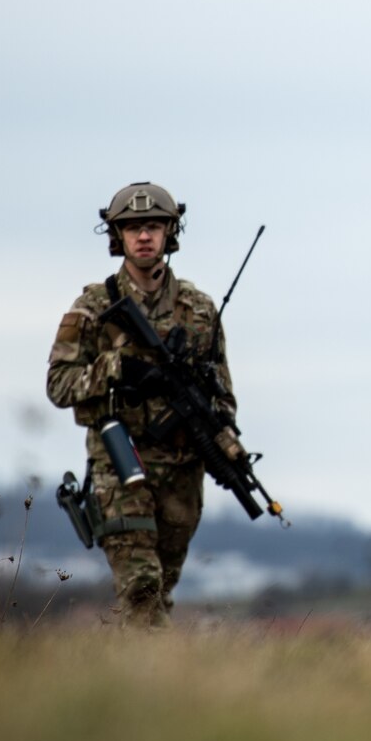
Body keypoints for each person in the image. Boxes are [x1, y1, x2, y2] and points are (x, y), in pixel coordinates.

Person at [47, 182, 234, 628]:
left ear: (170, 232)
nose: (144, 236)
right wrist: (117, 369)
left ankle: (139, 679)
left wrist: (224, 442)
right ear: (118, 236)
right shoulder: (93, 308)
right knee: (141, 588)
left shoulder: (200, 310)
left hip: (181, 468)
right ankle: (157, 680)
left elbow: (222, 394)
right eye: (133, 228)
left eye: (153, 226)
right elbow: (59, 384)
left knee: (159, 590)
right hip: (120, 463)